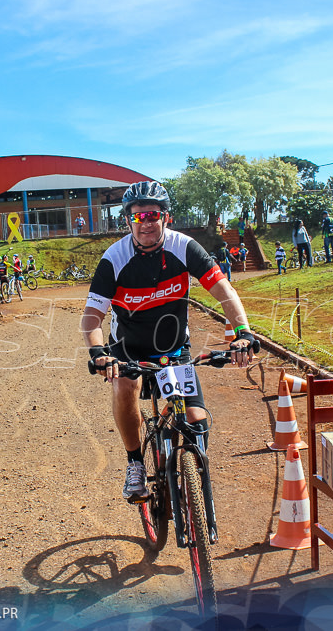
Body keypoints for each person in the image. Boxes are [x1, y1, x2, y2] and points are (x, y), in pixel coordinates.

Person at [81, 181, 257, 503]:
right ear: (128, 221)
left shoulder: (185, 248)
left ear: (166, 217)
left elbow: (225, 292)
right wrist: (98, 352)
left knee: (197, 421)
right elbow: (92, 317)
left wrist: (242, 333)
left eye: (152, 215)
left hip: (173, 346)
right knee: (124, 387)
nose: (146, 222)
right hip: (128, 346)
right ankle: (135, 463)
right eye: (138, 217)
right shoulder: (114, 258)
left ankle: (191, 474)